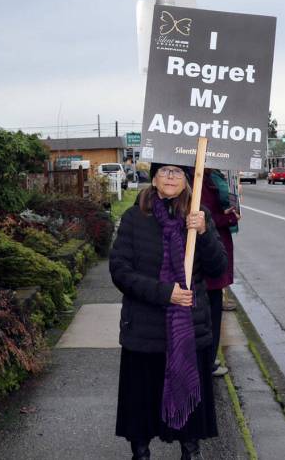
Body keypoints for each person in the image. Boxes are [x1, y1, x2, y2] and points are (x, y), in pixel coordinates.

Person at [110, 163, 228, 460]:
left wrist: (204, 232)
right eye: (164, 171)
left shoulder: (198, 216)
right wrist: (165, 293)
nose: (171, 177)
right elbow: (120, 271)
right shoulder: (134, 218)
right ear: (153, 179)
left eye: (178, 172)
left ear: (188, 180)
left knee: (189, 399)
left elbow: (218, 268)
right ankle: (141, 452)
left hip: (189, 329)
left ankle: (190, 450)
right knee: (141, 401)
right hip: (145, 330)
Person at [199, 169, 239, 377]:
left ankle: (208, 357)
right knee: (210, 312)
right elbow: (205, 217)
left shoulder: (210, 175)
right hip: (209, 255)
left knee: (212, 310)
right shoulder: (198, 177)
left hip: (215, 250)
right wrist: (228, 218)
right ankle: (207, 361)